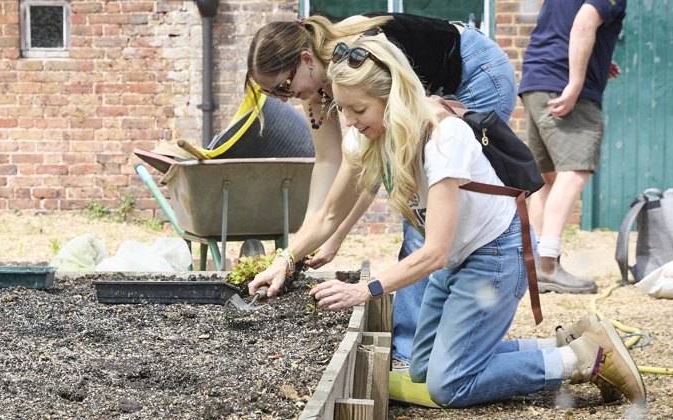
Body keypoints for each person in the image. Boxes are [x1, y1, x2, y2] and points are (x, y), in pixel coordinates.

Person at [246, 38, 645, 408]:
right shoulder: (368, 137)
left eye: (359, 109)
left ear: (394, 99)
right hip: (457, 258)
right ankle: (561, 346)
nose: (348, 121)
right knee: (421, 368)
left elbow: (434, 250)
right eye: (342, 108)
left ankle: (585, 359)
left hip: (494, 255)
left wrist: (365, 290)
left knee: (448, 385)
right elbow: (330, 214)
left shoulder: (443, 138)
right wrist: (284, 259)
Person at [242, 13, 517, 368]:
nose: (281, 99)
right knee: (420, 202)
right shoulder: (323, 92)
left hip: (475, 69)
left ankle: (408, 349)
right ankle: (441, 345)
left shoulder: (366, 57)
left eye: (282, 86)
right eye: (270, 93)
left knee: (426, 208)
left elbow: (374, 174)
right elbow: (338, 166)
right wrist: (294, 254)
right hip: (424, 95)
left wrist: (356, 273)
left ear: (306, 60)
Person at [519, 0, 626, 294]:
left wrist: (597, 61)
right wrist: (576, 83)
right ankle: (548, 265)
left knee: (548, 178)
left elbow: (563, 29)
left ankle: (538, 268)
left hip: (536, 82)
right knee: (574, 171)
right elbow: (583, 24)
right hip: (562, 86)